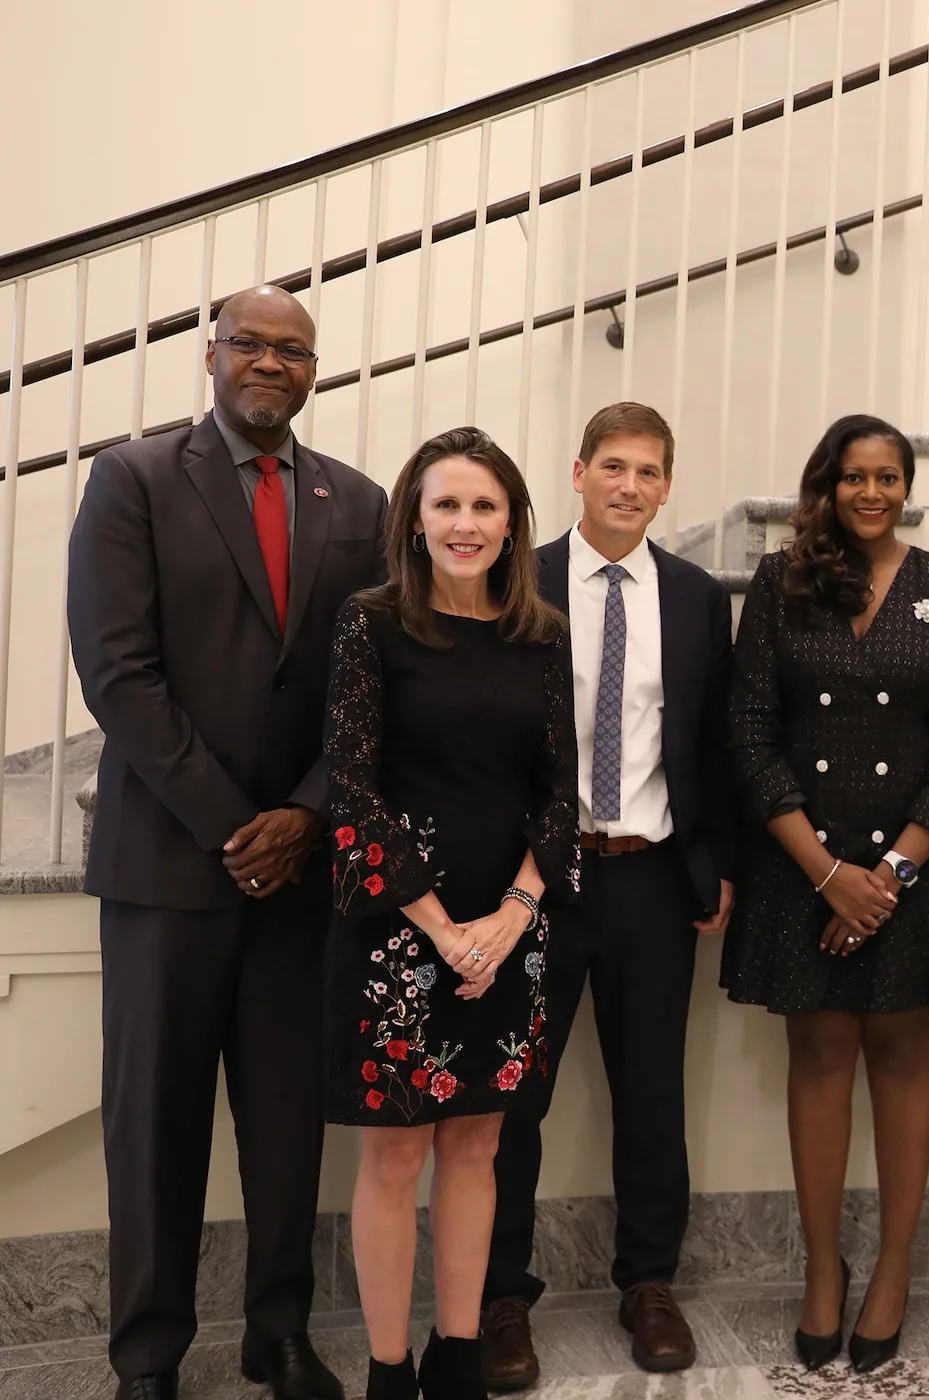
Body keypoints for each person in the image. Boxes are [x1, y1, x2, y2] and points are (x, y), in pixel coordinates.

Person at [66, 284, 386, 1400]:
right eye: (249, 342)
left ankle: (278, 1330)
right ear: (211, 353)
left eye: (292, 349)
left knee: (287, 1123)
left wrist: (304, 815)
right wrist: (233, 824)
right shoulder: (134, 479)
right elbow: (118, 670)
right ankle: (148, 1353)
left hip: (301, 879)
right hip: (167, 867)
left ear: (315, 370)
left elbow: (369, 686)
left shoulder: (361, 501)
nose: (270, 361)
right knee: (153, 1124)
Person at [721, 414, 929, 1374]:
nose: (871, 493)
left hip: (911, 877)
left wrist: (889, 876)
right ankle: (823, 1270)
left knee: (906, 1052)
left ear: (907, 486)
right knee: (821, 1050)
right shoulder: (783, 583)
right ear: (826, 487)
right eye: (853, 477)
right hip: (805, 870)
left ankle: (896, 1270)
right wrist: (829, 876)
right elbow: (748, 733)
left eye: (888, 477)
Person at [482, 404, 738, 1388]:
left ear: (668, 486)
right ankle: (502, 1292)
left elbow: (708, 743)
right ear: (579, 471)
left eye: (649, 472)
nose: (630, 486)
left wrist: (711, 860)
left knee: (651, 1091)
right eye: (613, 467)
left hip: (646, 876)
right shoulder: (518, 579)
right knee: (514, 1101)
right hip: (531, 886)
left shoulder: (695, 596)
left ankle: (648, 1281)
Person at [322, 427, 579, 1400]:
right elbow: (352, 786)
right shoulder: (369, 622)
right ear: (414, 518)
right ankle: (391, 1368)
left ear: (513, 520)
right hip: (397, 930)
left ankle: (459, 1353)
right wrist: (440, 926)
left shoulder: (540, 633)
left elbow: (561, 793)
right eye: (446, 504)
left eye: (484, 505)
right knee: (395, 1153)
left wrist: (512, 914)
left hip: (511, 929)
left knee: (479, 1142)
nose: (465, 523)